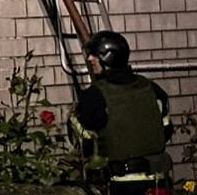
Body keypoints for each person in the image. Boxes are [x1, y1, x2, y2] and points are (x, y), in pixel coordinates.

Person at [72, 30, 174, 195]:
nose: (90, 59)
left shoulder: (96, 95)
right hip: (159, 181)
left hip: (124, 183)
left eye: (94, 55)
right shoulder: (152, 89)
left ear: (108, 57)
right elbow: (167, 130)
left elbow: (86, 137)